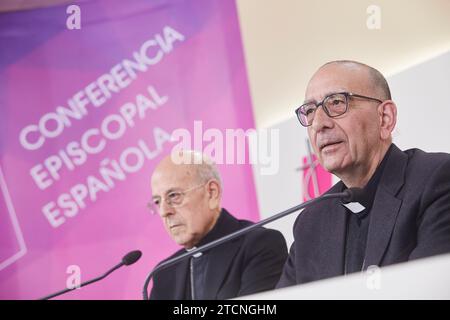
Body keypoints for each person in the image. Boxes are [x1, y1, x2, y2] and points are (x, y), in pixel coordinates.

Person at [277, 60, 450, 288]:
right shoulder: (310, 223)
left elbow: (430, 291)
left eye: (337, 102)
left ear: (385, 118)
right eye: (310, 111)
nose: (318, 124)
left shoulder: (436, 180)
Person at [149, 151, 288, 299]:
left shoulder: (259, 245)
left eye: (174, 196)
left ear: (212, 192)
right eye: (157, 202)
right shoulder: (163, 273)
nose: (164, 212)